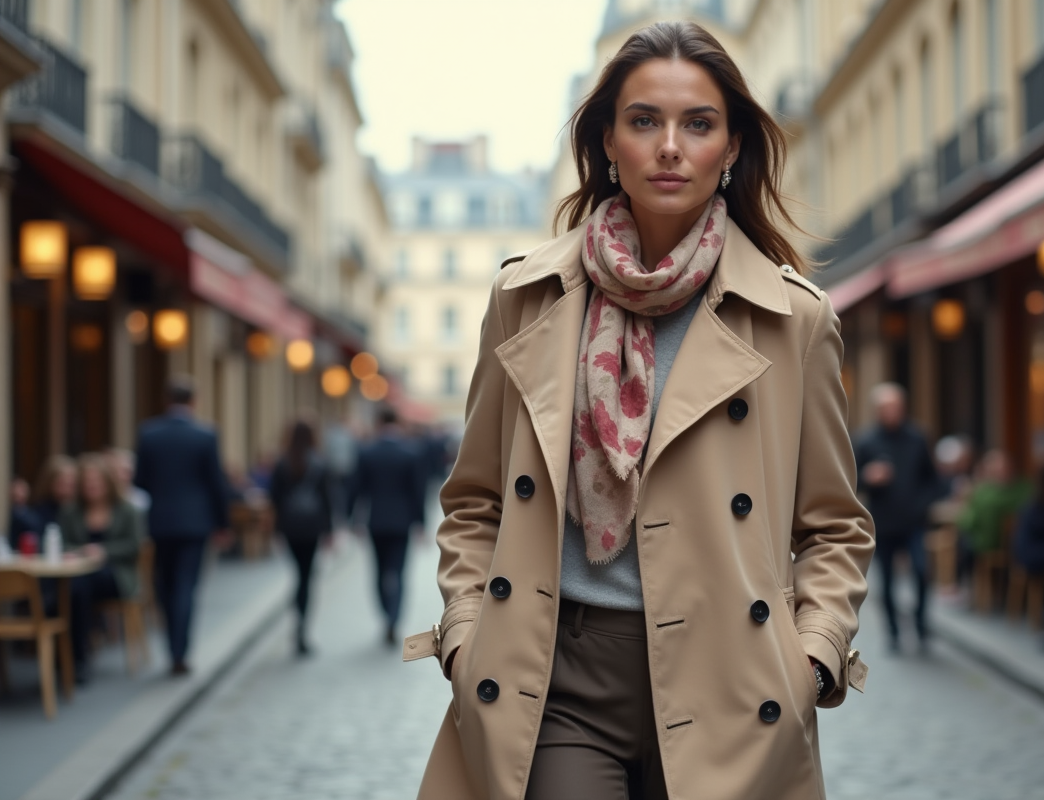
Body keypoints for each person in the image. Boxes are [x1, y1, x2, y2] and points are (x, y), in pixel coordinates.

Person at [403, 22, 874, 800]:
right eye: (645, 120)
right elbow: (476, 499)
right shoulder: (525, 297)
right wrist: (465, 636)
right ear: (608, 142)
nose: (670, 147)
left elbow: (833, 526)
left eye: (699, 124)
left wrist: (812, 657)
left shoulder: (796, 318)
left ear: (731, 147)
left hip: (734, 681)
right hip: (557, 680)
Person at [135, 376, 230, 676]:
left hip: (161, 522)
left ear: (166, 400)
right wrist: (223, 523)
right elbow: (216, 483)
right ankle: (180, 652)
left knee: (165, 585)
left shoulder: (149, 434)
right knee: (186, 586)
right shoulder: (205, 435)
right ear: (194, 401)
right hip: (195, 523)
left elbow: (140, 481)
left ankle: (172, 647)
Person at [854, 383, 939, 653]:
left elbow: (933, 480)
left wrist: (921, 506)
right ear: (877, 411)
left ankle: (921, 626)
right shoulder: (866, 441)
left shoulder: (917, 438)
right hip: (884, 522)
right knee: (887, 581)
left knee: (922, 572)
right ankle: (893, 632)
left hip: (914, 522)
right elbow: (850, 481)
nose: (892, 412)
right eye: (886, 408)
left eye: (896, 407)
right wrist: (868, 477)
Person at [60, 453, 145, 682]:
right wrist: (81, 552)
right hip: (80, 574)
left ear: (107, 481)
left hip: (116, 575)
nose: (92, 485)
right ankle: (73, 655)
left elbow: (134, 546)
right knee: (75, 588)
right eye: (87, 481)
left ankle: (77, 657)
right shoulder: (71, 512)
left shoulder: (126, 510)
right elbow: (62, 543)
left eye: (96, 480)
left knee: (80, 587)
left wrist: (104, 551)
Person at [351, 407, 428, 646]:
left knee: (379, 570)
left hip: (376, 521)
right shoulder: (410, 452)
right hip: (402, 522)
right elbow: (418, 491)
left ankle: (386, 613)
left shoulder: (367, 452)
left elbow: (356, 488)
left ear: (378, 422)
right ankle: (394, 617)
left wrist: (352, 519)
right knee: (399, 572)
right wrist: (421, 522)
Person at [269, 419, 334, 656]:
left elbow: (274, 499)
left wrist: (276, 530)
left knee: (299, 574)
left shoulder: (282, 463)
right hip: (312, 527)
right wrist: (329, 530)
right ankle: (301, 627)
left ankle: (297, 610)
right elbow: (327, 499)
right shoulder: (319, 463)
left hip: (290, 527)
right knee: (306, 576)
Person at [957, 449, 1030, 564]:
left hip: (987, 545)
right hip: (1016, 546)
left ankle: (966, 573)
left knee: (962, 540)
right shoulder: (1026, 489)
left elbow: (967, 522)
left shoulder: (983, 495)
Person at [30, 455, 78, 542]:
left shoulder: (81, 511)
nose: (66, 490)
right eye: (61, 484)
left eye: (71, 485)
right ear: (50, 483)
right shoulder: (40, 512)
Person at [106, 447, 151, 514]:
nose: (126, 476)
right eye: (122, 471)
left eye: (129, 471)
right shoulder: (105, 496)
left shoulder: (141, 498)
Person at [8, 477, 41, 548]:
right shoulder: (8, 513)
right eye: (17, 490)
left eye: (22, 490)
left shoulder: (32, 512)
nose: (19, 493)